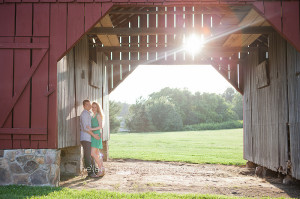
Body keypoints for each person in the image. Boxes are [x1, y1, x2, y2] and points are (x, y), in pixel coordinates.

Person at [80, 99, 100, 178]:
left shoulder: (89, 113)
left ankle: (95, 170)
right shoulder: (84, 114)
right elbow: (86, 128)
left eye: (90, 104)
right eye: (87, 105)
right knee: (87, 156)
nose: (89, 106)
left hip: (90, 138)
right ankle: (90, 173)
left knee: (91, 155)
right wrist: (94, 135)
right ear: (84, 106)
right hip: (85, 138)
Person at [87, 102, 106, 177]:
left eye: (95, 107)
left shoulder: (98, 115)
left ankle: (101, 168)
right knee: (97, 153)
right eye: (93, 107)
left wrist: (91, 129)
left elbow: (100, 126)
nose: (94, 108)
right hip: (93, 135)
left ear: (98, 108)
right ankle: (102, 170)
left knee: (92, 153)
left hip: (96, 135)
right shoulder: (92, 115)